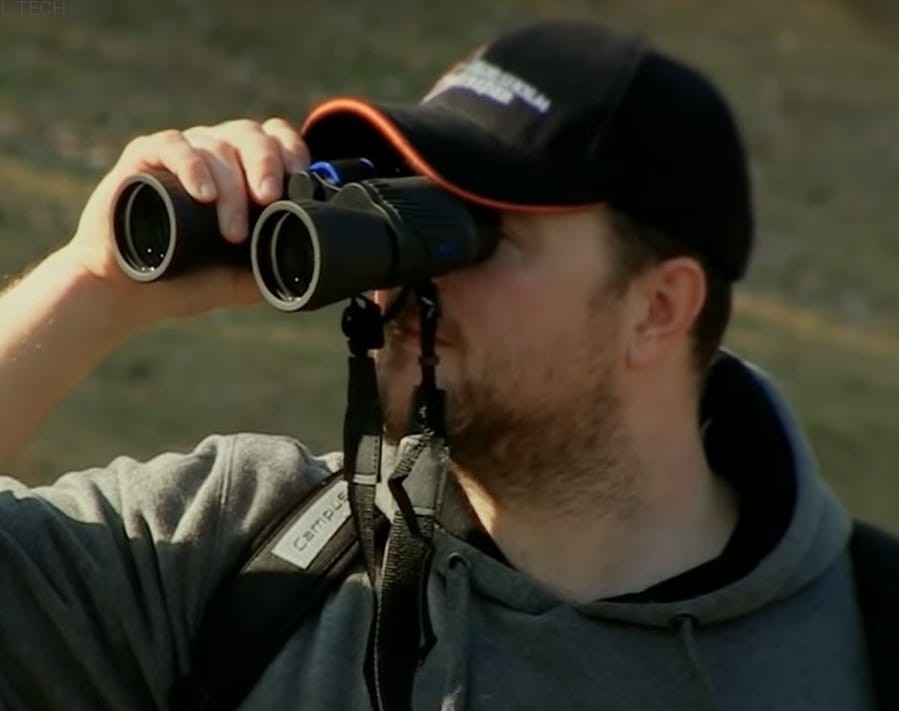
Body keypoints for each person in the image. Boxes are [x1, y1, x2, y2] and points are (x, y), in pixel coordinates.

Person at [0, 18, 888, 711]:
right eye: (403, 209)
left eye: (474, 229)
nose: (411, 276)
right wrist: (95, 286)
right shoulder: (247, 559)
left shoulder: (864, 645)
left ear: (656, 308)